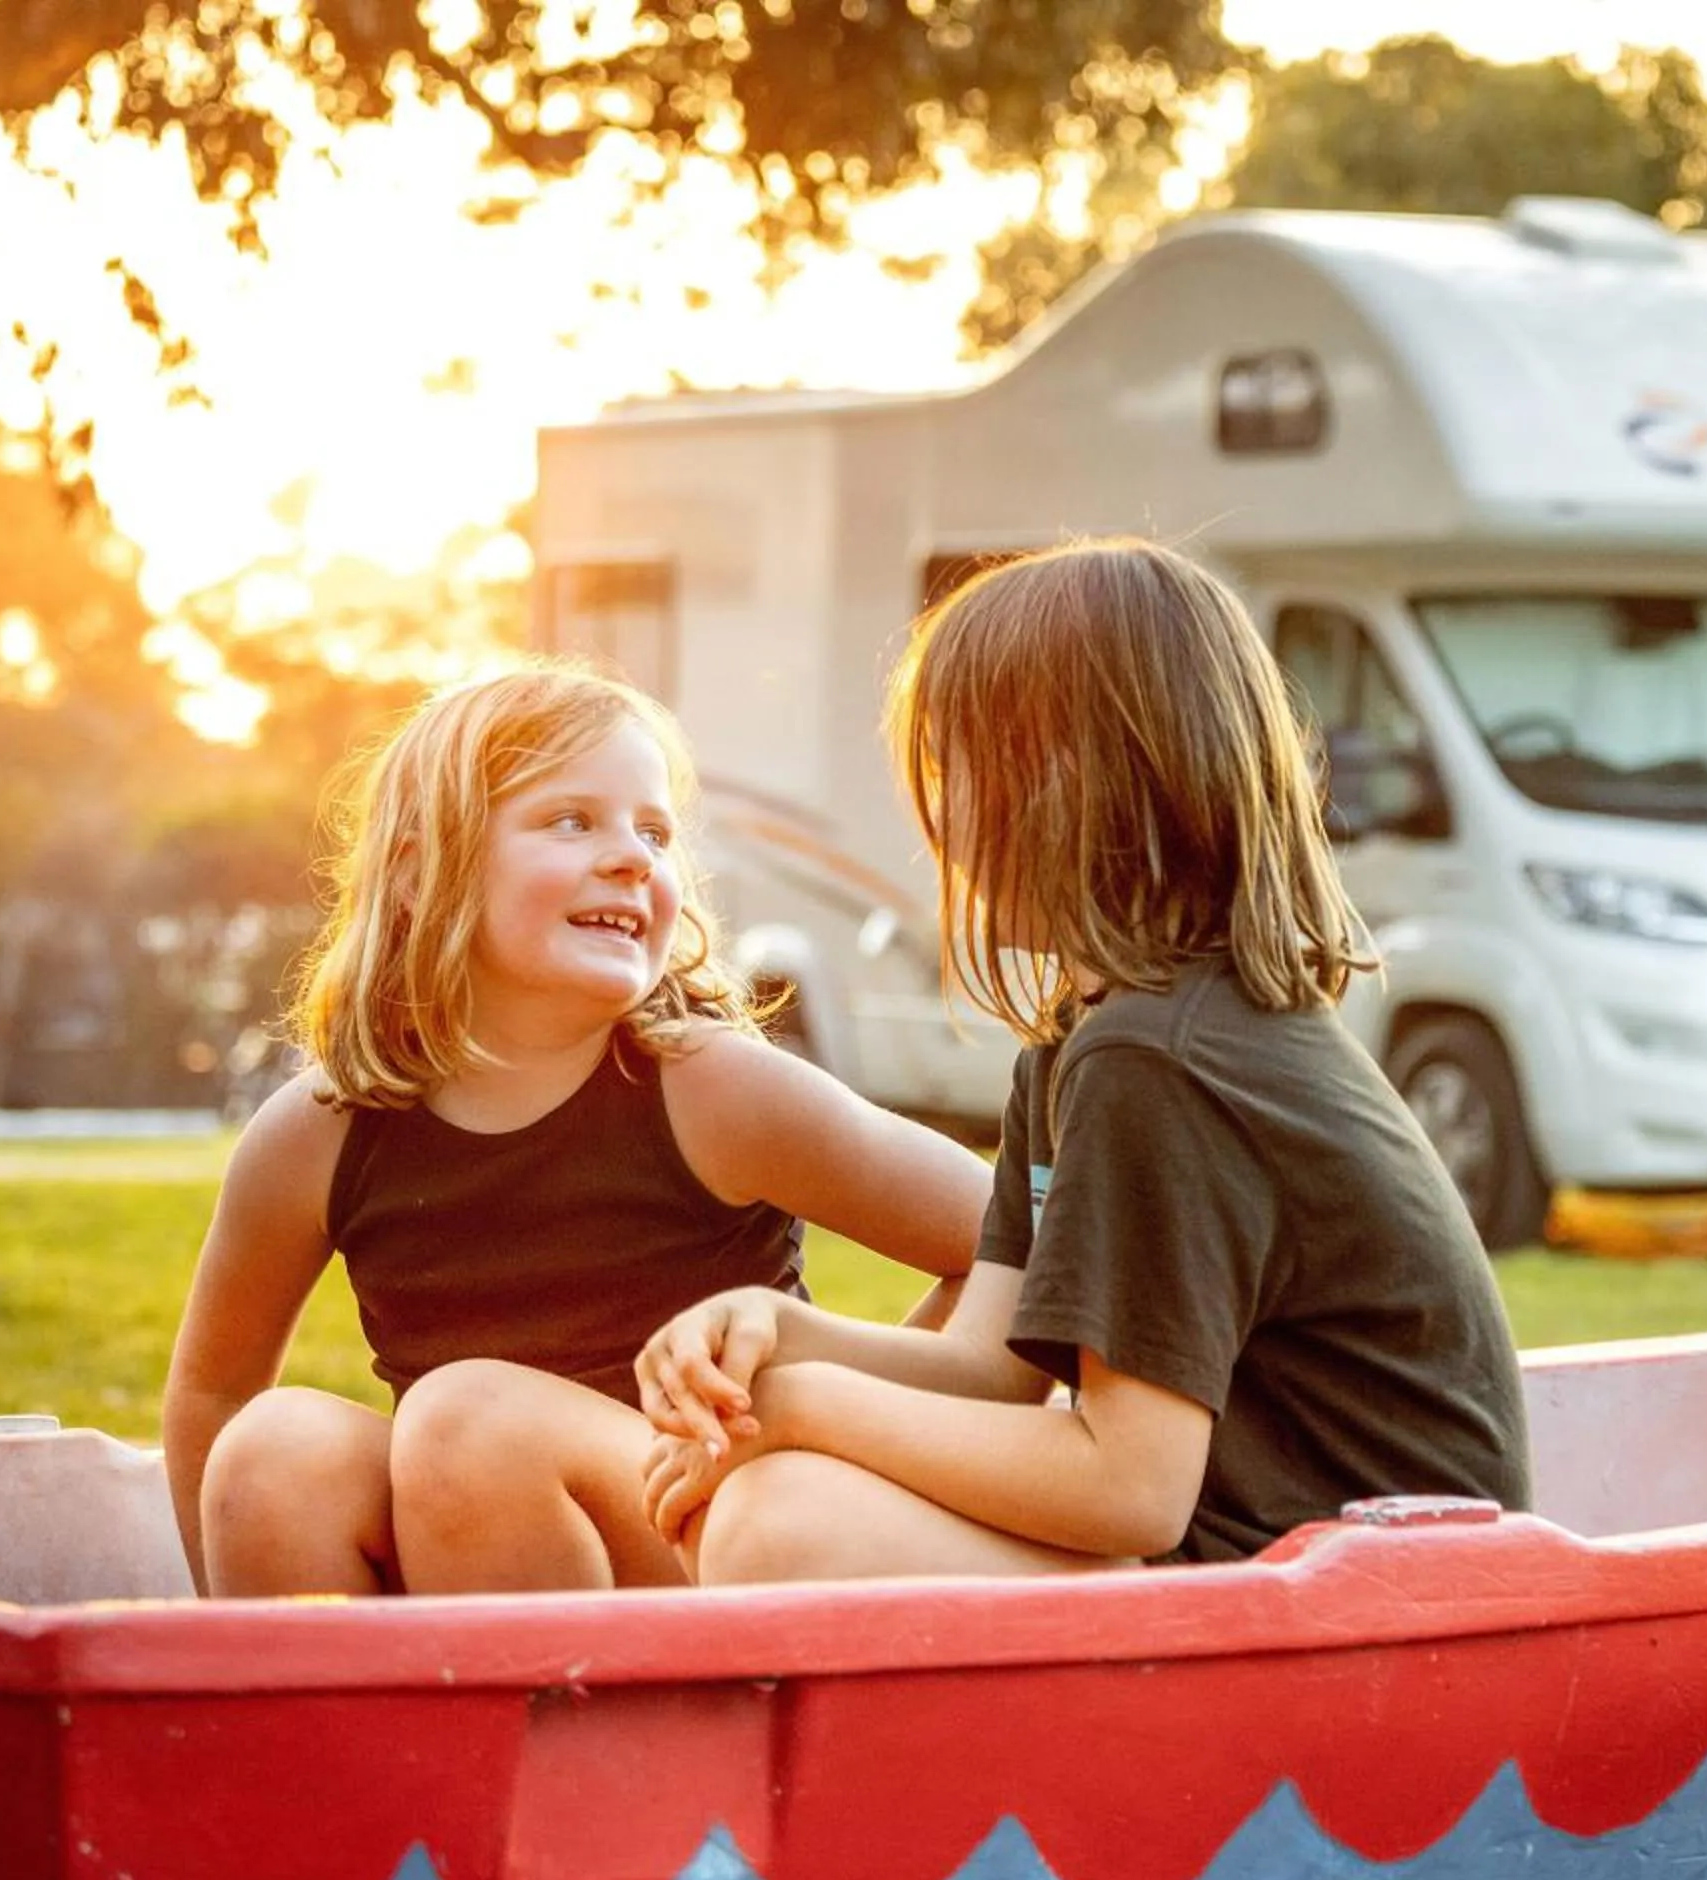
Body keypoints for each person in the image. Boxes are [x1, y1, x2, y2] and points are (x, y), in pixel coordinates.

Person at [635, 540, 1532, 1581]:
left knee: (784, 1522)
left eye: (953, 765)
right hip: (1256, 1564)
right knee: (776, 1497)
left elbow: (1129, 1486)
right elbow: (987, 1371)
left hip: (1373, 1601)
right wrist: (785, 1336)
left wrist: (811, 1410)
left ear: (1067, 781)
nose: (940, 824)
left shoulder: (1162, 1060)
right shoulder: (1085, 1045)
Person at [161, 664, 991, 1597]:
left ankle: (590, 1742)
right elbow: (213, 1394)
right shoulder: (320, 1135)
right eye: (571, 820)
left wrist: (852, 1428)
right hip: (470, 1538)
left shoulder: (711, 1091)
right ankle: (332, 1732)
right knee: (275, 1451)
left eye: (656, 831)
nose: (635, 856)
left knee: (468, 1422)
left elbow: (1024, 1236)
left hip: (697, 1537)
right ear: (420, 868)